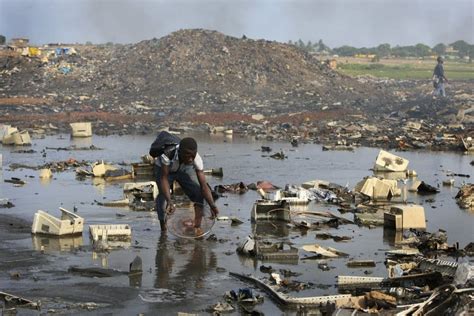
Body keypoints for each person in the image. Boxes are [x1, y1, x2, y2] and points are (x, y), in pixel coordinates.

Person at [154, 137, 219, 235]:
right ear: (180, 152)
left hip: (182, 169)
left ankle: (197, 227)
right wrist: (169, 201)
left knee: (199, 193)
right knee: (162, 197)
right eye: (187, 155)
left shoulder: (196, 159)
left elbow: (204, 186)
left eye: (193, 155)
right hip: (164, 170)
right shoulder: (168, 154)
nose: (191, 158)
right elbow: (164, 179)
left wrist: (212, 205)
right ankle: (163, 229)